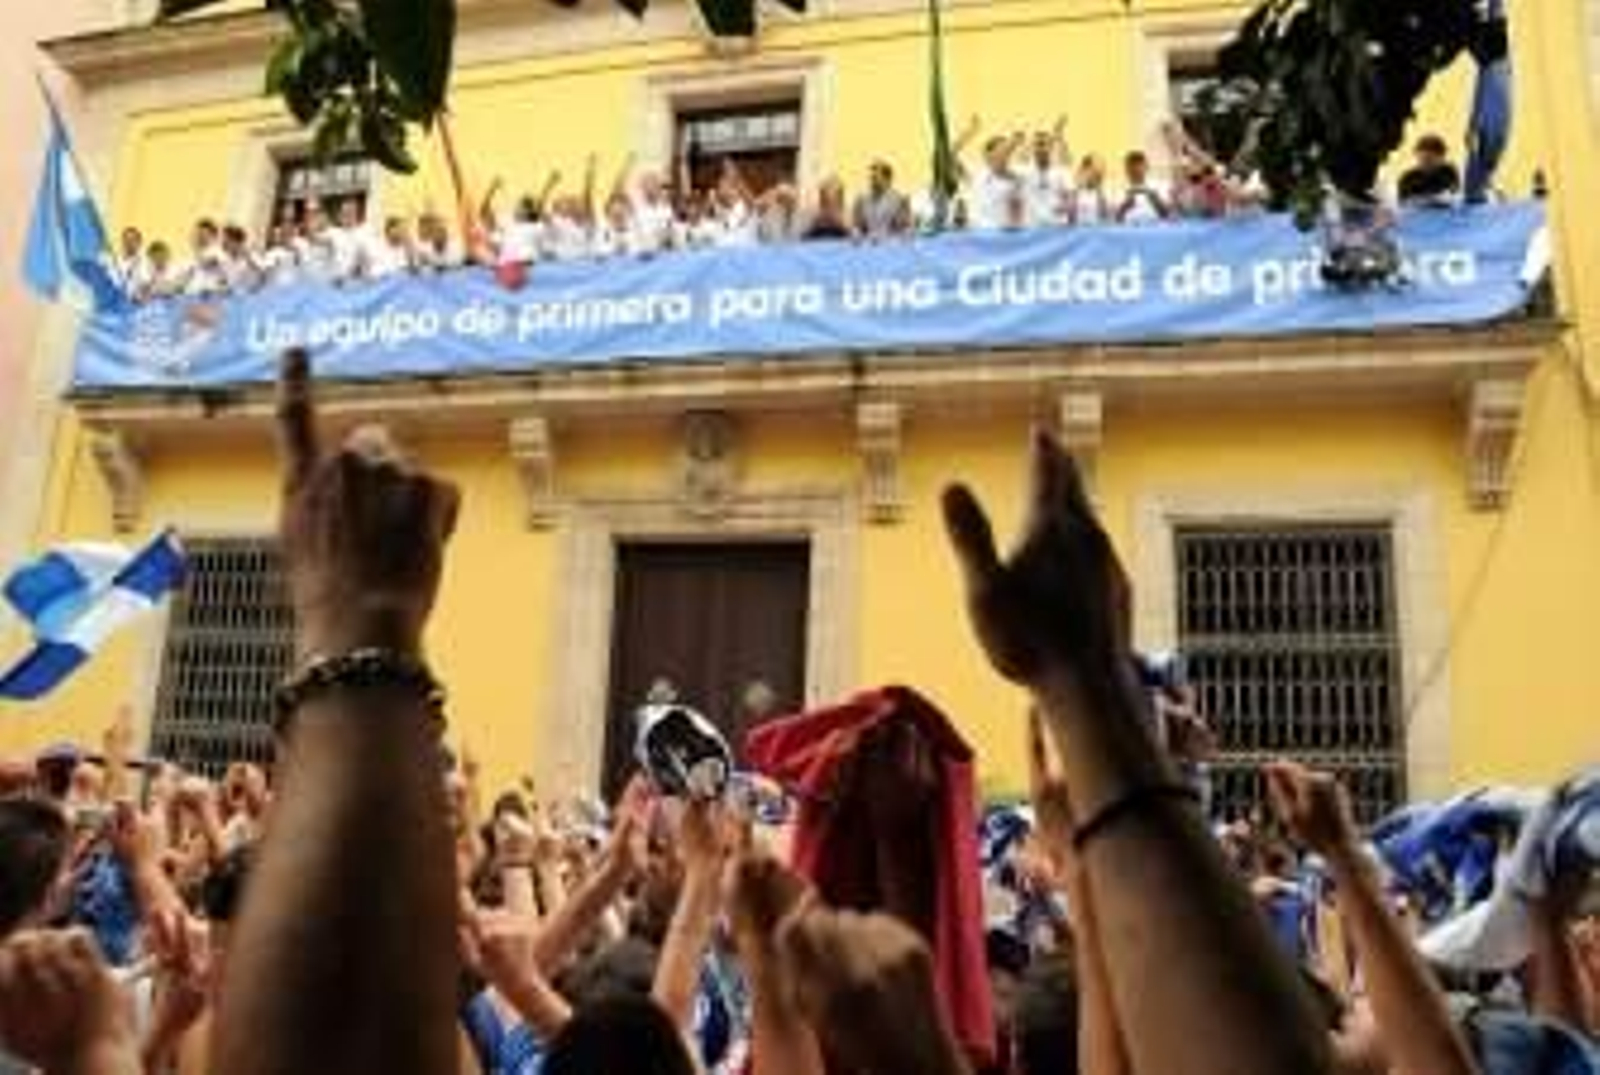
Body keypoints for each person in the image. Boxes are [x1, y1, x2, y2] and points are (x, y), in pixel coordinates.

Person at [1016, 117, 1072, 228]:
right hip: (1031, 227)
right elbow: (1019, 158)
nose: (1041, 149)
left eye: (1044, 144)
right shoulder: (1024, 171)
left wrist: (1064, 206)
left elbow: (1069, 196)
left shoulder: (1060, 171)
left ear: (1051, 147)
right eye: (1037, 144)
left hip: (1056, 226)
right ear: (1032, 147)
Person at [968, 133, 1025, 230]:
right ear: (989, 155)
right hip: (982, 232)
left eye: (1007, 153)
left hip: (1006, 233)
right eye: (1001, 151)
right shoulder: (979, 176)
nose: (1005, 155)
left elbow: (1017, 211)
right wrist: (1013, 142)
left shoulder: (1015, 179)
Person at [852, 159, 911, 241]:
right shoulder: (861, 200)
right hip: (868, 244)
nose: (872, 181)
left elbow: (906, 228)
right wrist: (856, 233)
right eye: (871, 178)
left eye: (875, 178)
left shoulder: (900, 200)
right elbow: (856, 226)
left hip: (891, 244)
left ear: (887, 179)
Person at [1399, 134, 1463, 207]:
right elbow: (1404, 203)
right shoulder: (1408, 178)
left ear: (1442, 158)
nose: (1426, 163)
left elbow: (1453, 195)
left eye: (1430, 159)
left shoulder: (1448, 172)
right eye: (1423, 159)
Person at [1116, 150, 1171, 223]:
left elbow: (1166, 215)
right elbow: (1116, 219)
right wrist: (1125, 206)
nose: (1137, 171)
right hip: (1128, 227)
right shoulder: (1119, 190)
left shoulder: (1158, 187)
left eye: (1139, 167)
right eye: (1133, 168)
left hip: (1154, 226)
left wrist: (1156, 202)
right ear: (1127, 170)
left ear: (1147, 168)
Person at [330, 197, 376, 281]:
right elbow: (314, 238)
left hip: (355, 281)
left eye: (350, 212)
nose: (347, 216)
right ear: (340, 215)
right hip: (336, 281)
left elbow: (371, 259)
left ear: (356, 214)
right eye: (344, 213)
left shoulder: (365, 233)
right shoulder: (334, 232)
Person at [183, 218, 228, 296]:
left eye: (203, 234)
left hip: (210, 294)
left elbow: (207, 262)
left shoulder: (217, 251)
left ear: (212, 235)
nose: (200, 237)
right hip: (193, 294)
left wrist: (195, 248)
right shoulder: (197, 254)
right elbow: (189, 274)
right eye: (198, 234)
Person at [800, 176, 853, 241]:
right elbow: (802, 240)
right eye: (826, 202)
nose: (830, 211)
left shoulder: (847, 230)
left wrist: (845, 227)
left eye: (834, 203)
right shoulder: (813, 227)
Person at [1069, 154, 1112, 225]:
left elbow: (1106, 219)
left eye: (1101, 172)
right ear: (1084, 170)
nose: (1099, 175)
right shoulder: (1074, 194)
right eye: (1095, 171)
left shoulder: (1106, 194)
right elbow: (1070, 219)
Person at [219, 224, 263, 293]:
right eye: (224, 241)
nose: (224, 244)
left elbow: (262, 275)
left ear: (236, 241)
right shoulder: (225, 260)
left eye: (227, 241)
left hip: (252, 293)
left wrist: (254, 289)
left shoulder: (250, 255)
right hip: (234, 294)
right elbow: (226, 280)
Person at [113, 226, 149, 298]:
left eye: (132, 240)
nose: (129, 243)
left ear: (139, 242)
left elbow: (146, 285)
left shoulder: (145, 261)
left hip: (135, 300)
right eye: (126, 240)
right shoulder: (116, 260)